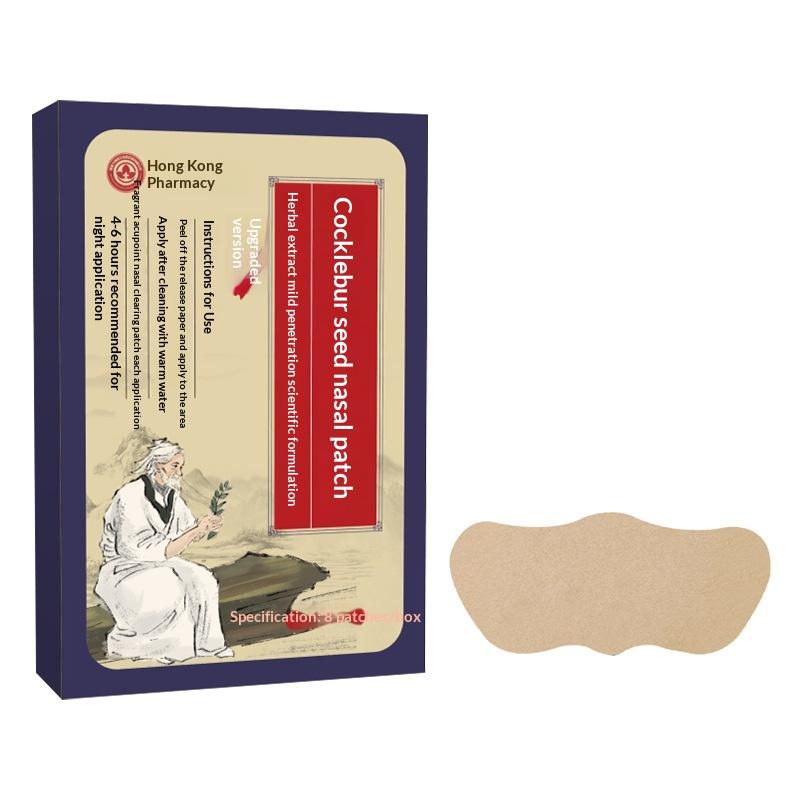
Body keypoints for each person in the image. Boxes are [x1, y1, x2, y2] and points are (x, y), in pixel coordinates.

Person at [94, 438, 234, 664]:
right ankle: (166, 649)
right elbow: (135, 549)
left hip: (158, 561)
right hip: (124, 568)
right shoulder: (131, 495)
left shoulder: (171, 496)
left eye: (181, 466)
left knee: (203, 578)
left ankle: (209, 646)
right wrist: (194, 532)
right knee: (169, 583)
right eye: (175, 466)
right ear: (158, 466)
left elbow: (185, 531)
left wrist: (203, 527)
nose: (180, 472)